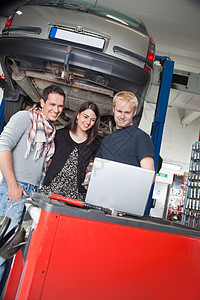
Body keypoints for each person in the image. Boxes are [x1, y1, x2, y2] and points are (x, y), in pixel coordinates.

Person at [0, 84, 65, 287]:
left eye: (60, 106)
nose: (56, 109)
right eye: (52, 104)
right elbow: (3, 146)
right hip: (15, 190)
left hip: (32, 193)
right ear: (42, 102)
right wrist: (12, 185)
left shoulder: (49, 129)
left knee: (12, 254)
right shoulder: (25, 118)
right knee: (2, 251)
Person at [40, 101, 101, 200]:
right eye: (85, 117)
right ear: (78, 115)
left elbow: (98, 169)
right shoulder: (59, 135)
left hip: (76, 196)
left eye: (92, 120)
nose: (88, 122)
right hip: (51, 190)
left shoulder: (95, 144)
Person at [96, 91, 155, 171]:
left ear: (134, 112)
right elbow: (98, 171)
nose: (122, 116)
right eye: (119, 111)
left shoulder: (141, 138)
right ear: (113, 109)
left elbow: (149, 176)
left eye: (127, 112)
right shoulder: (106, 140)